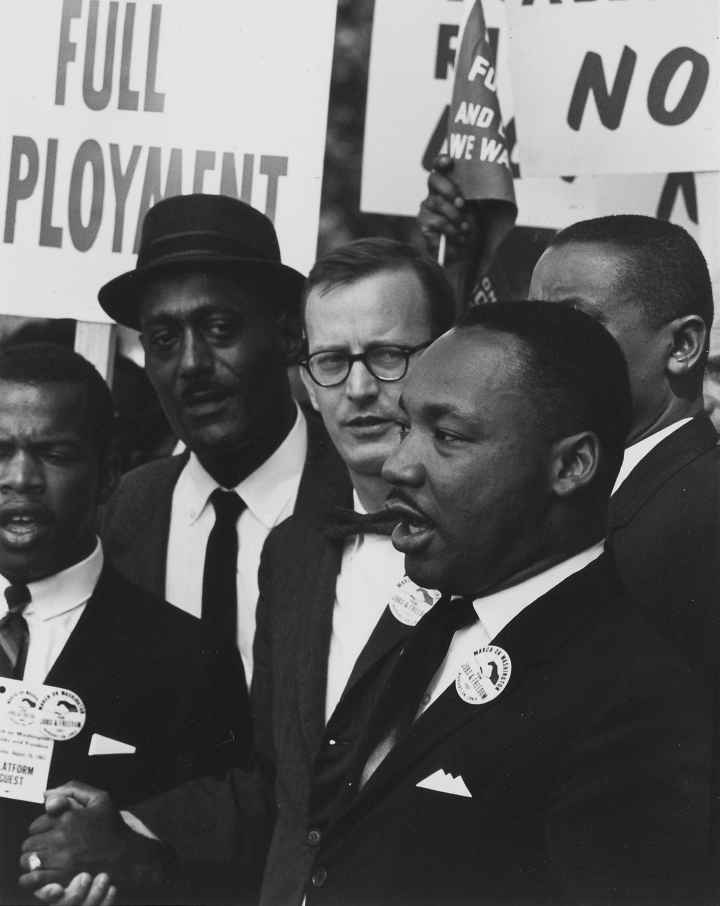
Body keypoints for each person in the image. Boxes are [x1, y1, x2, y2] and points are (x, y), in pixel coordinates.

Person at [18, 238, 456, 906]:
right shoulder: (135, 509)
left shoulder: (465, 532)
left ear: (281, 343)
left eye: (390, 356)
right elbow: (277, 773)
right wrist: (122, 835)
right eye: (335, 362)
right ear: (310, 370)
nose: (360, 387)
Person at [296, 302, 712, 904]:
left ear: (571, 464)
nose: (397, 464)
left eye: (447, 436)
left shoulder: (637, 705)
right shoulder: (429, 621)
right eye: (407, 426)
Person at [420, 170, 720, 663]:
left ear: (683, 346)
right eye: (537, 320)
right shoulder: (558, 491)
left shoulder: (704, 517)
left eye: (574, 322)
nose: (539, 348)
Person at [0, 343, 249, 905]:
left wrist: (136, 864)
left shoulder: (190, 659)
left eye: (54, 453)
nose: (21, 478)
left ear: (109, 474)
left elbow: (222, 872)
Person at [98, 193, 346, 685]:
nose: (192, 364)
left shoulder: (360, 497)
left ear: (289, 337)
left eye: (219, 327)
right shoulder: (119, 512)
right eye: (164, 339)